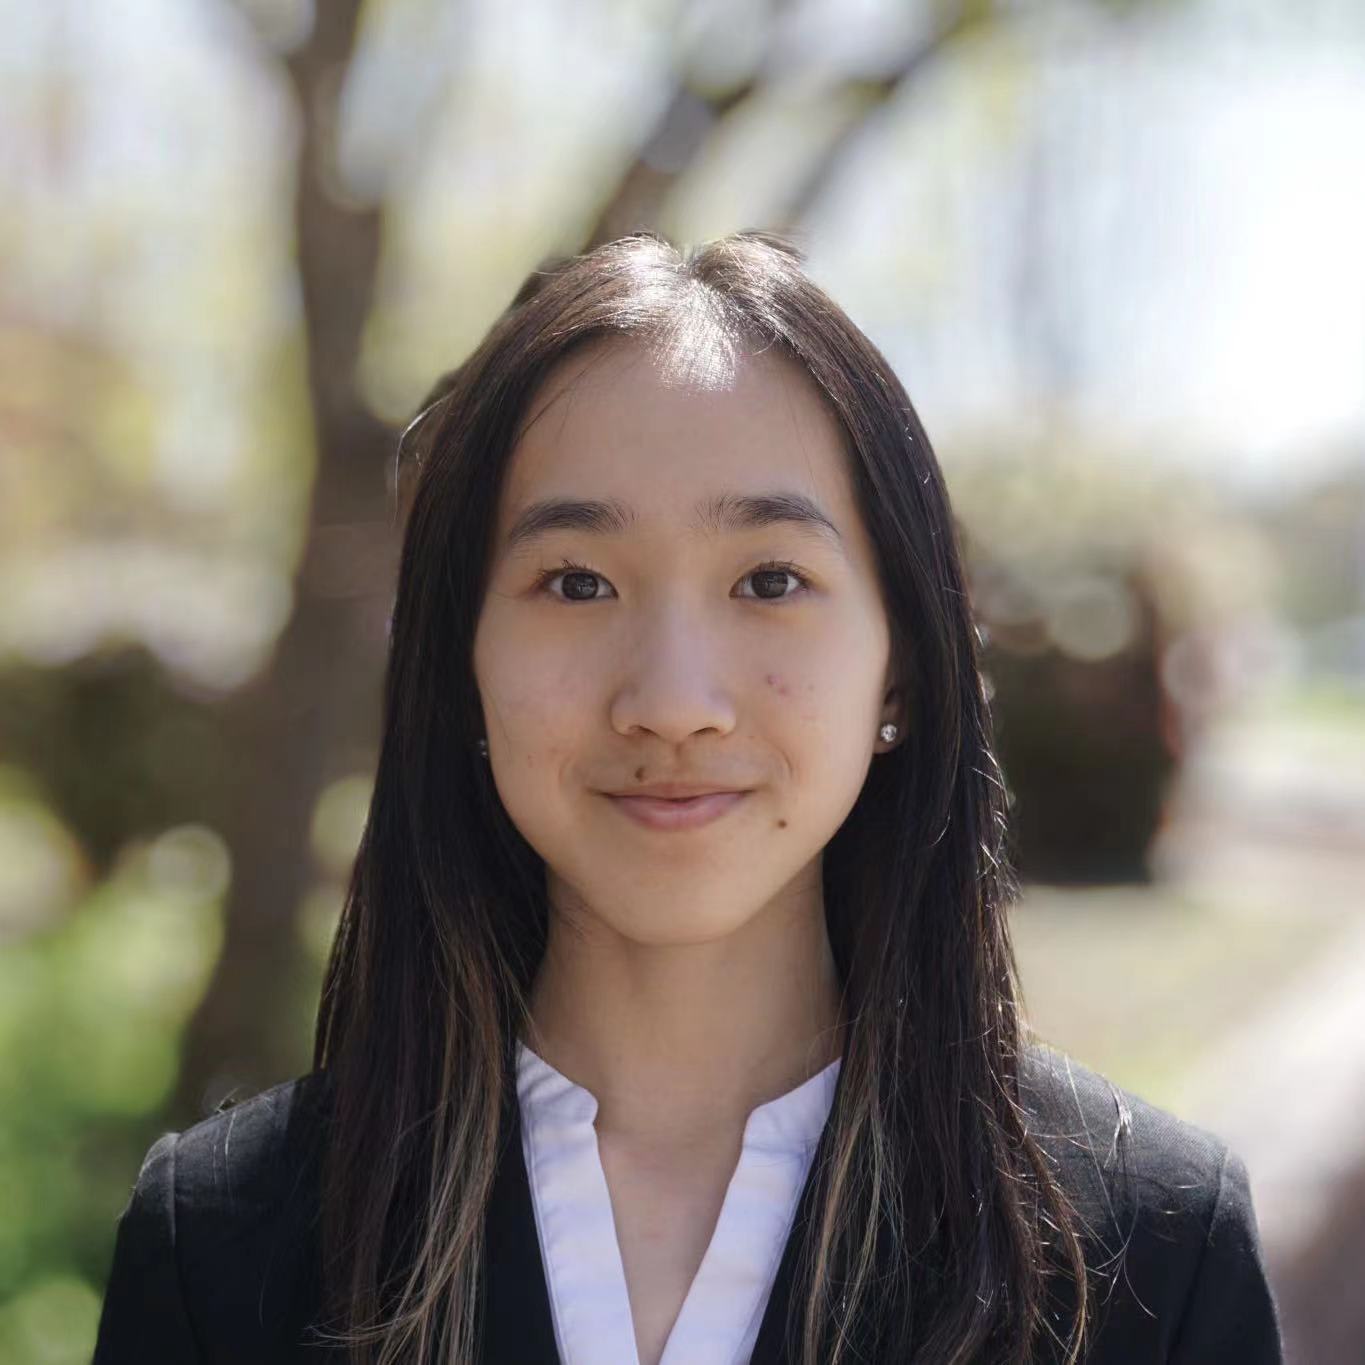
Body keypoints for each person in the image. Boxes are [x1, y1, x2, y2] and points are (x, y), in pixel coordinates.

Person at [91, 230, 1283, 1365]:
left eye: (769, 580)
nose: (672, 702)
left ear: (903, 666)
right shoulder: (225, 1249)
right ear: (461, 663)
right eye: (576, 582)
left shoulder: (1151, 1254)